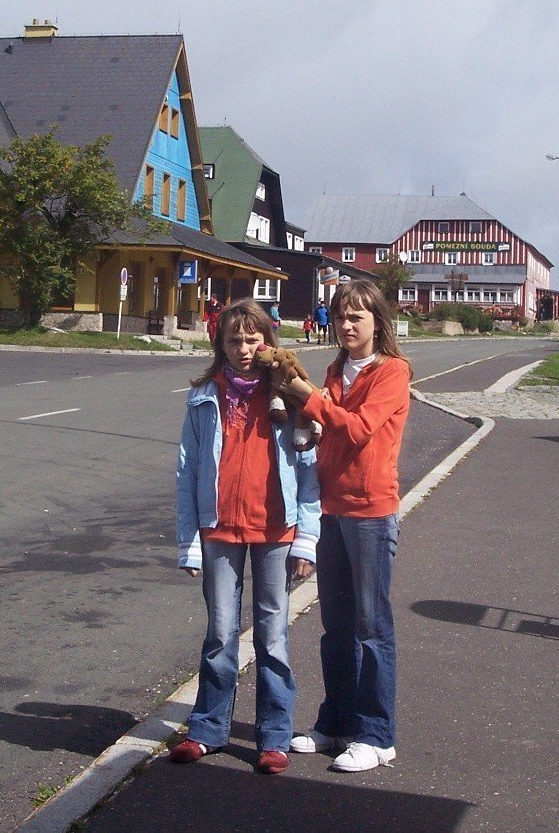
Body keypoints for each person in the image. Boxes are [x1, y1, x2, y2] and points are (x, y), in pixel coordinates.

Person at [173, 299, 320, 775]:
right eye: (234, 340)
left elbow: (309, 468)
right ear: (221, 344)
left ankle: (274, 737)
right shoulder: (204, 398)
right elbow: (188, 470)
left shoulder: (289, 396)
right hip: (219, 530)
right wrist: (189, 540)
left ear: (268, 343)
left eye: (253, 339)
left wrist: (306, 539)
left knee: (272, 636)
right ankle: (208, 729)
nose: (244, 348)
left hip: (276, 529)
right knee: (219, 634)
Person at [273, 280, 411, 773]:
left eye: (358, 317)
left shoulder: (392, 372)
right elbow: (323, 429)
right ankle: (337, 723)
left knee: (372, 628)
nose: (348, 325)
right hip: (330, 509)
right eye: (341, 316)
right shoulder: (334, 369)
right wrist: (303, 422)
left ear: (378, 322)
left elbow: (355, 429)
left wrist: (308, 397)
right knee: (335, 627)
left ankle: (378, 735)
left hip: (371, 512)